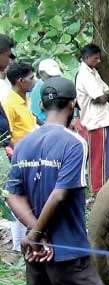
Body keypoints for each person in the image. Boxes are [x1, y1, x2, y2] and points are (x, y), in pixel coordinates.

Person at [5, 76, 108, 285]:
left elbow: (12, 195)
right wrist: (37, 233)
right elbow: (60, 195)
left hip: (36, 254)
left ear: (41, 106)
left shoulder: (23, 145)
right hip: (68, 254)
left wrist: (34, 233)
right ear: (73, 104)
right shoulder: (74, 143)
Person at [75, 43, 109, 196]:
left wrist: (104, 96)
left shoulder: (93, 71)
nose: (98, 61)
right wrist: (103, 97)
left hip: (103, 119)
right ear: (86, 58)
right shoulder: (84, 74)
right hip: (95, 122)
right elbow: (100, 97)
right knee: (99, 158)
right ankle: (98, 191)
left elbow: (106, 92)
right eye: (95, 58)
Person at [3, 62, 37, 252]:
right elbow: (7, 135)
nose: (34, 81)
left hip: (31, 155)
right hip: (19, 158)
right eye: (31, 78)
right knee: (18, 198)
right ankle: (17, 246)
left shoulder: (24, 99)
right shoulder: (9, 103)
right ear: (20, 81)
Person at [29, 59, 62, 125]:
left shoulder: (53, 84)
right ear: (41, 73)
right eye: (51, 76)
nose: (54, 78)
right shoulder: (39, 87)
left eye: (56, 76)